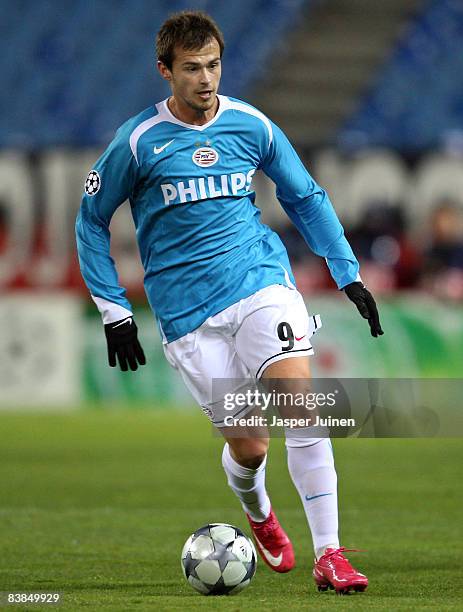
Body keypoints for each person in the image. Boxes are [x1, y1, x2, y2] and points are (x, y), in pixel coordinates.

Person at [76, 10, 383, 594]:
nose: (206, 79)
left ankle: (330, 554)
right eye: (191, 68)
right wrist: (114, 309)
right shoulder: (137, 141)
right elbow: (90, 222)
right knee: (249, 446)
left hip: (260, 283)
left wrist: (347, 274)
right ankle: (260, 511)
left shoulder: (252, 125)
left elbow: (304, 196)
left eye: (213, 65)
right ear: (165, 71)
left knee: (301, 406)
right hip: (187, 314)